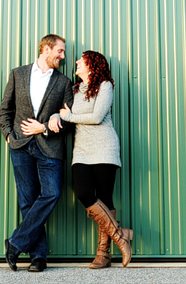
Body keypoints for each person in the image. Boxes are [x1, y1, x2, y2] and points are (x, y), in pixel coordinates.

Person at [0, 34, 74, 273]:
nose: (63, 56)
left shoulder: (64, 82)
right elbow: (5, 109)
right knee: (27, 201)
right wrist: (9, 136)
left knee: (52, 193)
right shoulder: (17, 74)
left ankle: (15, 243)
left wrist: (45, 128)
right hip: (20, 146)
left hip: (49, 147)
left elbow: (70, 120)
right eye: (60, 51)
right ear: (46, 49)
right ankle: (38, 257)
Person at [57, 50, 133, 268]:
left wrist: (69, 117)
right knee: (84, 194)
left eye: (81, 60)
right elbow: (60, 112)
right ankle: (121, 236)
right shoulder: (73, 90)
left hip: (104, 147)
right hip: (81, 150)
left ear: (92, 65)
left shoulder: (105, 86)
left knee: (105, 198)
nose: (77, 62)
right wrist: (55, 117)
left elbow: (97, 116)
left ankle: (103, 254)